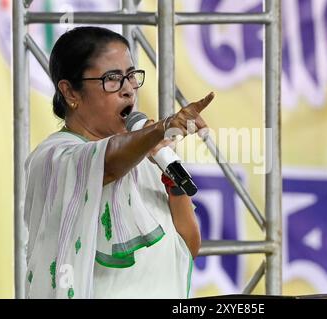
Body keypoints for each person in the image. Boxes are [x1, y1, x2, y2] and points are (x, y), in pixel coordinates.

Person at [23, 26, 214, 299]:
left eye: (131, 77)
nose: (128, 90)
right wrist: (160, 129)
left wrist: (173, 182)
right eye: (112, 79)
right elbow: (106, 164)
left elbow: (187, 247)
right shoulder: (55, 157)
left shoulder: (147, 157)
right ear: (70, 92)